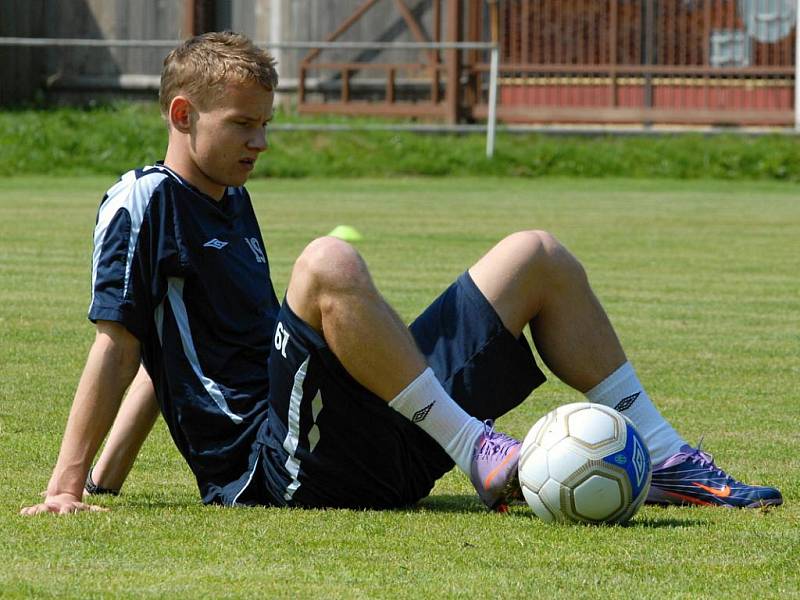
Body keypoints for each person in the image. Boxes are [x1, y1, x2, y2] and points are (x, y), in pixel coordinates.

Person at [21, 31, 781, 517]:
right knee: (326, 262)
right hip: (269, 471)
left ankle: (668, 455)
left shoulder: (232, 202)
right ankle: (477, 449)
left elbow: (174, 355)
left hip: (349, 442)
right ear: (183, 114)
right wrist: (71, 484)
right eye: (242, 125)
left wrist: (108, 482)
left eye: (267, 124)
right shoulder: (142, 199)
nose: (260, 141)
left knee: (536, 255)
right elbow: (124, 345)